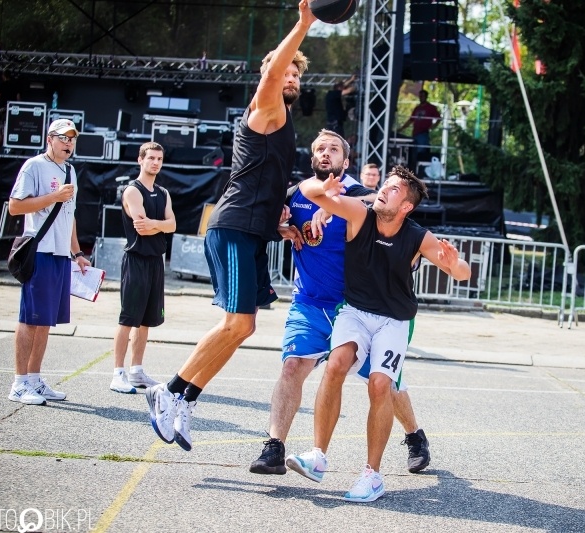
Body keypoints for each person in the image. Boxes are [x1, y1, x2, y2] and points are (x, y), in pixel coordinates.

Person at [144, 0, 317, 452]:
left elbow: (267, 183)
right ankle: (168, 389)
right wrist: (303, 25)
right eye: (288, 73)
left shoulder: (284, 121)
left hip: (253, 231)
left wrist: (282, 221)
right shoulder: (265, 107)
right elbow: (273, 73)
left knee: (244, 328)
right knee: (235, 322)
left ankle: (187, 399)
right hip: (234, 227)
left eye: (299, 75)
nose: (292, 79)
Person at [250, 130, 431, 476]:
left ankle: (414, 435)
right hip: (310, 303)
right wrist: (278, 226)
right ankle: (274, 447)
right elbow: (263, 217)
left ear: (346, 162)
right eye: (320, 148)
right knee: (292, 367)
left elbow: (391, 214)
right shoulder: (296, 194)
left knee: (386, 384)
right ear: (312, 156)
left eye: (334, 149)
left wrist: (332, 208)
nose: (326, 153)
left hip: (358, 308)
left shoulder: (361, 195)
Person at [287, 165, 470, 502]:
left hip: (393, 320)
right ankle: (317, 456)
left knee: (380, 384)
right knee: (336, 364)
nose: (384, 189)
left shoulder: (417, 236)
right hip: (355, 311)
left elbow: (462, 273)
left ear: (406, 207)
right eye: (385, 183)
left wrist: (454, 263)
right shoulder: (360, 213)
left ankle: (372, 475)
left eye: (394, 189)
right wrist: (322, 186)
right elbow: (312, 194)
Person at [7, 118, 90, 405]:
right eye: (63, 138)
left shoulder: (70, 170)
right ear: (49, 139)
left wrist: (77, 253)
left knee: (46, 321)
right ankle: (19, 383)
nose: (69, 143)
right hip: (39, 251)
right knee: (30, 319)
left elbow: (70, 216)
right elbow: (15, 206)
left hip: (59, 255)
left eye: (72, 139)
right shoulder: (34, 166)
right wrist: (53, 196)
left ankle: (34, 378)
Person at [110, 142, 176, 394]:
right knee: (128, 319)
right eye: (151, 158)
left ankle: (136, 371)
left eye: (159, 158)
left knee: (146, 321)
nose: (155, 162)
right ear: (141, 160)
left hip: (155, 261)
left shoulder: (163, 192)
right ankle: (118, 373)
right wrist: (163, 224)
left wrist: (157, 224)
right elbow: (142, 226)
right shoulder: (132, 191)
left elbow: (173, 225)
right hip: (136, 259)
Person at [397, 89, 441, 160]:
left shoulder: (430, 107)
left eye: (423, 96)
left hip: (423, 133)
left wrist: (434, 126)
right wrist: (402, 128)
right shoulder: (417, 108)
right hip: (415, 133)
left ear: (426, 97)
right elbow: (411, 120)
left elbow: (438, 118)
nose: (421, 97)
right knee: (414, 152)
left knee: (420, 152)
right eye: (420, 96)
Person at [0, 68, 21, 154]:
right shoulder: (16, 85)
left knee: (2, 131)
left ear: (3, 76)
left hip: (4, 111)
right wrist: (19, 109)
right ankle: (10, 148)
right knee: (12, 129)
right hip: (13, 111)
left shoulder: (3, 85)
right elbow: (18, 99)